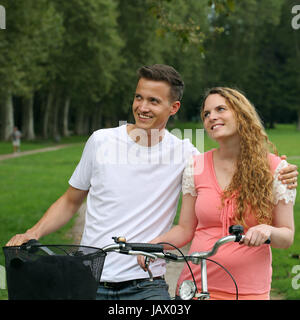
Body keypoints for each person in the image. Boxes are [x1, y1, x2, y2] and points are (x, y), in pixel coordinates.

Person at [6, 67, 298, 300]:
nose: (142, 107)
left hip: (147, 283)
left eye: (153, 101)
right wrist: (31, 232)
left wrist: (280, 170)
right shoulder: (101, 141)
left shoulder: (187, 155)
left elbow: (234, 166)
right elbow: (71, 200)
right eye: (138, 97)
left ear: (173, 107)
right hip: (89, 276)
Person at [138, 87, 296, 300]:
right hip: (194, 287)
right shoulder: (196, 166)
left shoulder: (276, 169)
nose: (212, 117)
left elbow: (286, 237)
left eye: (220, 109)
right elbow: (185, 229)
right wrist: (151, 246)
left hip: (248, 292)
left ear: (241, 113)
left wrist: (267, 230)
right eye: (206, 114)